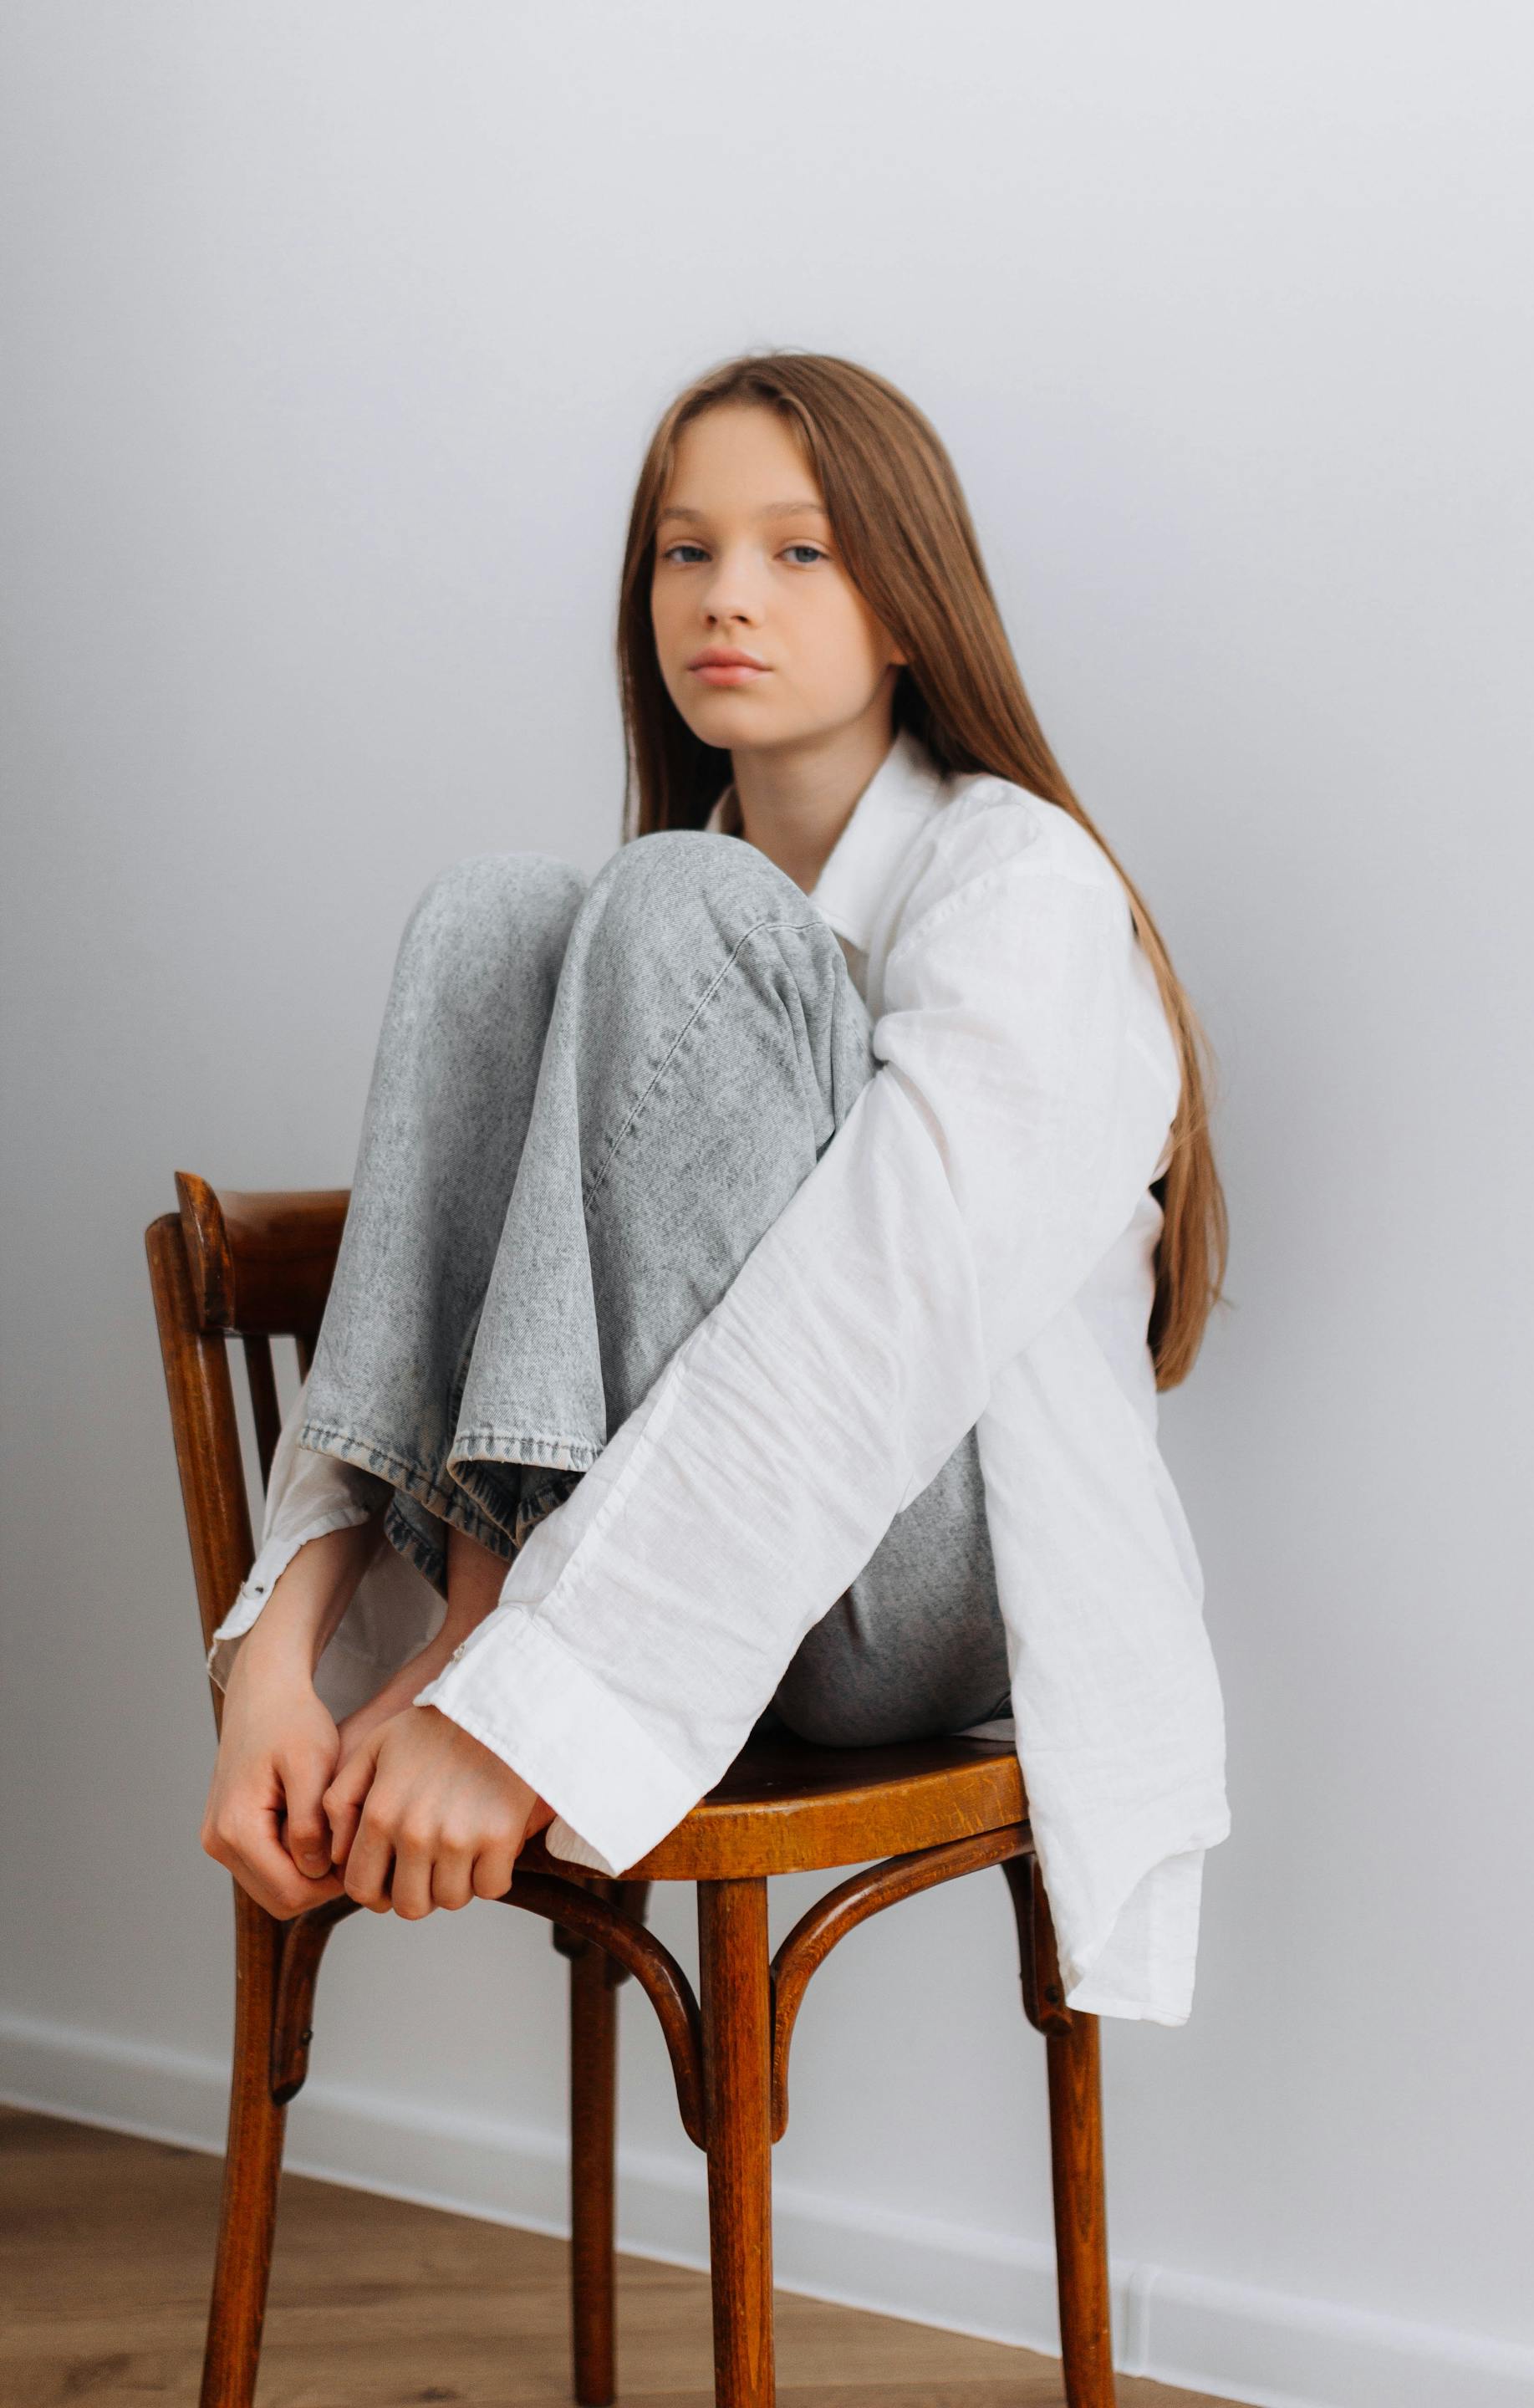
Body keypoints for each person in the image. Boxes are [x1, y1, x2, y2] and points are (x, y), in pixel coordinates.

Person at [200, 351, 1231, 2025]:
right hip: (669, 1570)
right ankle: (442, 1621)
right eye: (687, 552)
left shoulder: (1019, 882)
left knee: (677, 903)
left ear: (909, 606)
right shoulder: (645, 927)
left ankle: (490, 1634)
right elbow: (470, 1278)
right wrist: (281, 1659)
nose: (724, 596)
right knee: (494, 917)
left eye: (797, 551)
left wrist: (523, 1705)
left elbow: (871, 1328)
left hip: (940, 1588)